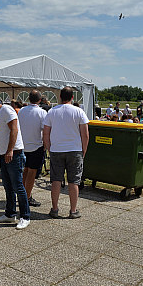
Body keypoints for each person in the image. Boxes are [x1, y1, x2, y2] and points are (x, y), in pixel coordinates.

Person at [0, 97, 30, 230]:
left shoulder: (7, 110)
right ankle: (10, 213)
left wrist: (10, 150)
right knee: (8, 186)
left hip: (13, 154)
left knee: (18, 186)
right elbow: (3, 134)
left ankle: (25, 216)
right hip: (5, 153)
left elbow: (14, 130)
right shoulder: (1, 113)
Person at [43, 86, 89, 219]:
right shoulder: (79, 112)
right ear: (72, 97)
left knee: (56, 180)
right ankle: (73, 210)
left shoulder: (52, 112)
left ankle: (55, 208)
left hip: (57, 150)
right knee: (74, 181)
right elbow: (85, 134)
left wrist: (49, 148)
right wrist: (83, 150)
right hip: (75, 150)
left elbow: (46, 133)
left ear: (60, 97)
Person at [18, 90, 48, 208]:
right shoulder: (42, 112)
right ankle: (27, 197)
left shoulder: (21, 111)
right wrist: (46, 145)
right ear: (40, 100)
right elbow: (44, 130)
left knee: (25, 171)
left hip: (23, 145)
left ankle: (23, 194)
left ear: (29, 99)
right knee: (32, 172)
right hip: (36, 145)